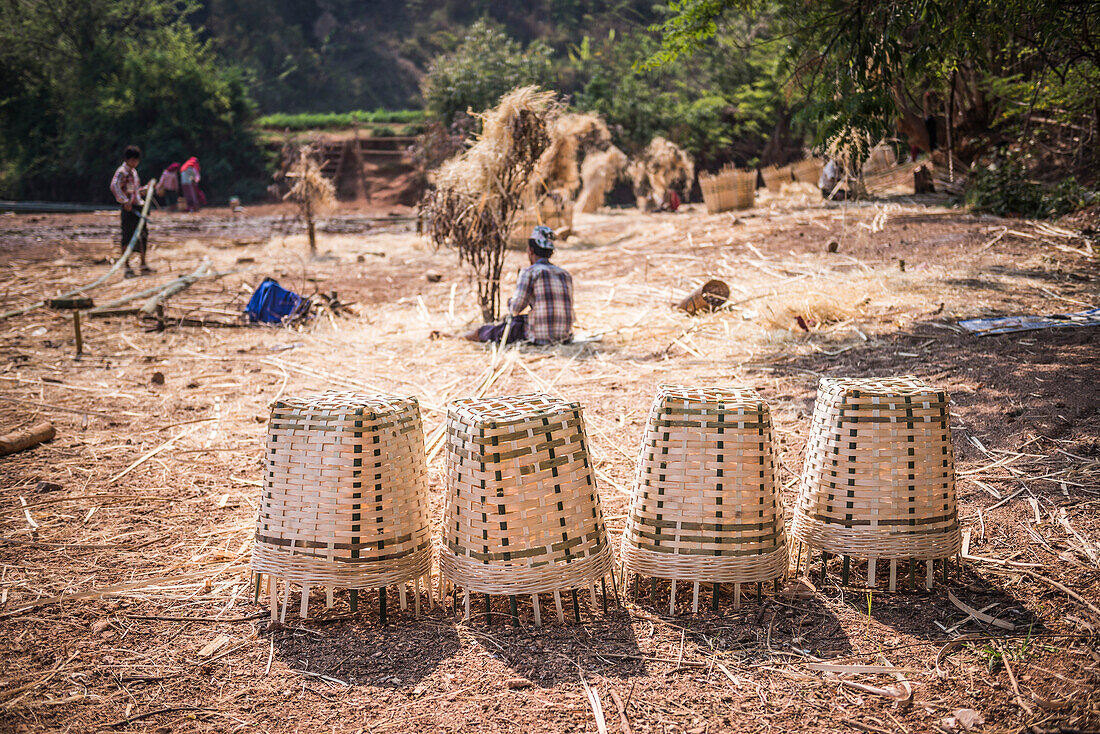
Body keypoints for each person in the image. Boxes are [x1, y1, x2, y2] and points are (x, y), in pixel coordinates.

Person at [464, 226, 574, 346]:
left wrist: (510, 302)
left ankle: (467, 336)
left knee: (499, 329)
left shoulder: (530, 272)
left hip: (539, 336)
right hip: (564, 336)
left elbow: (515, 309)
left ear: (530, 251)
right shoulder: (565, 274)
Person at [109, 145, 152, 278]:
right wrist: (124, 200)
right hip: (128, 209)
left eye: (136, 161)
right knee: (127, 237)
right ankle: (127, 267)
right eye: (133, 160)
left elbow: (135, 190)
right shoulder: (122, 172)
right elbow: (114, 186)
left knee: (143, 236)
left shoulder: (134, 172)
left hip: (137, 208)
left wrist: (146, 189)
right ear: (127, 159)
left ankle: (143, 264)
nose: (135, 163)